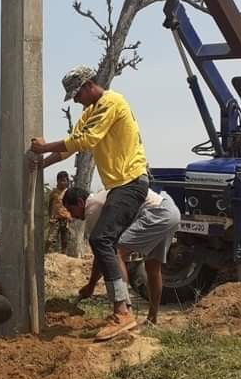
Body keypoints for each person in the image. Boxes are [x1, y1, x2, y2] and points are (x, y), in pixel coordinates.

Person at [30, 65, 149, 341]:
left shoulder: (112, 102)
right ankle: (123, 309)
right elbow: (71, 144)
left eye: (76, 94)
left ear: (88, 85)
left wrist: (44, 147)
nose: (75, 100)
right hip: (119, 186)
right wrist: (42, 162)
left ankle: (122, 312)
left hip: (131, 182)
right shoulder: (89, 112)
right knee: (105, 242)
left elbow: (86, 140)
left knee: (101, 240)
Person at [64, 185, 179, 326]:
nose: (71, 215)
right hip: (169, 210)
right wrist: (91, 284)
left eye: (70, 210)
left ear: (81, 203)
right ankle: (152, 319)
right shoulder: (102, 197)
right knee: (153, 268)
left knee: (115, 252)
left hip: (155, 213)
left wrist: (92, 284)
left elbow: (103, 254)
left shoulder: (92, 209)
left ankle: (125, 314)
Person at [47, 171, 73, 254]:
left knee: (65, 240)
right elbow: (50, 205)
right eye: (60, 180)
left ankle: (63, 255)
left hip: (66, 218)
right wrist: (50, 216)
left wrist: (71, 217)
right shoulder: (54, 193)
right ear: (57, 181)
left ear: (67, 181)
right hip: (55, 219)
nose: (62, 182)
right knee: (50, 239)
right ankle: (47, 254)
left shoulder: (69, 192)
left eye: (64, 180)